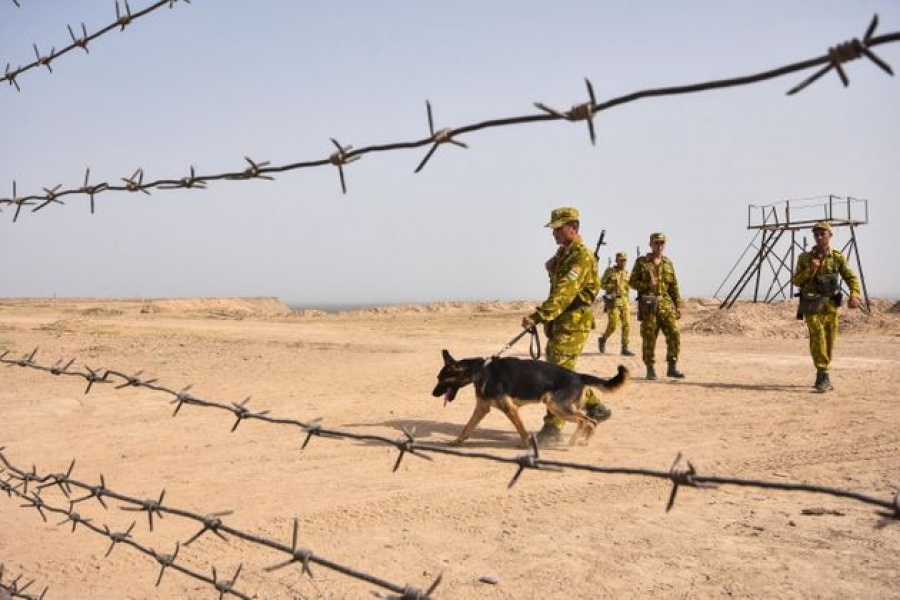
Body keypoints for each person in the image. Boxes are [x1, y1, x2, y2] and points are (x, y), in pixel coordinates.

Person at [521, 207, 611, 447]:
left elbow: (564, 293)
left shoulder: (581, 256)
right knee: (562, 374)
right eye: (553, 229)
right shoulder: (563, 254)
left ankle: (552, 429)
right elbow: (559, 287)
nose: (554, 233)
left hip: (573, 324)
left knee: (557, 380)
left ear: (573, 227)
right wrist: (551, 270)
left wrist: (538, 316)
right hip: (560, 323)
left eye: (558, 229)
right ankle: (595, 406)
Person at [790, 221, 862, 392]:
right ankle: (822, 372)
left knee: (829, 339)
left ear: (830, 235)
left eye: (823, 234)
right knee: (818, 335)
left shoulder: (837, 257)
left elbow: (850, 277)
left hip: (831, 305)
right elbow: (796, 281)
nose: (819, 237)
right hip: (811, 305)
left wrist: (854, 294)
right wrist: (810, 269)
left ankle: (823, 374)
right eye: (816, 234)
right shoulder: (804, 258)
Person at [629, 232, 684, 380]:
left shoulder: (668, 263)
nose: (659, 246)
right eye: (656, 243)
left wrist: (677, 305)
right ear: (651, 244)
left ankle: (672, 367)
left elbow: (674, 286)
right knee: (649, 338)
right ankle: (650, 368)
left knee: (674, 333)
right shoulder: (642, 262)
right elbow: (632, 282)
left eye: (661, 243)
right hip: (649, 305)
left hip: (666, 305)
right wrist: (647, 284)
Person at [597, 251, 635, 356]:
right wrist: (611, 286)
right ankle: (603, 339)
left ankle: (625, 348)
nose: (623, 262)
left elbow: (628, 289)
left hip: (624, 301)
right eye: (621, 260)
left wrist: (628, 301)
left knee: (627, 324)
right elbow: (602, 284)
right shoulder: (610, 271)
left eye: (624, 261)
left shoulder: (627, 274)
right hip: (613, 301)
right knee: (613, 325)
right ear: (616, 261)